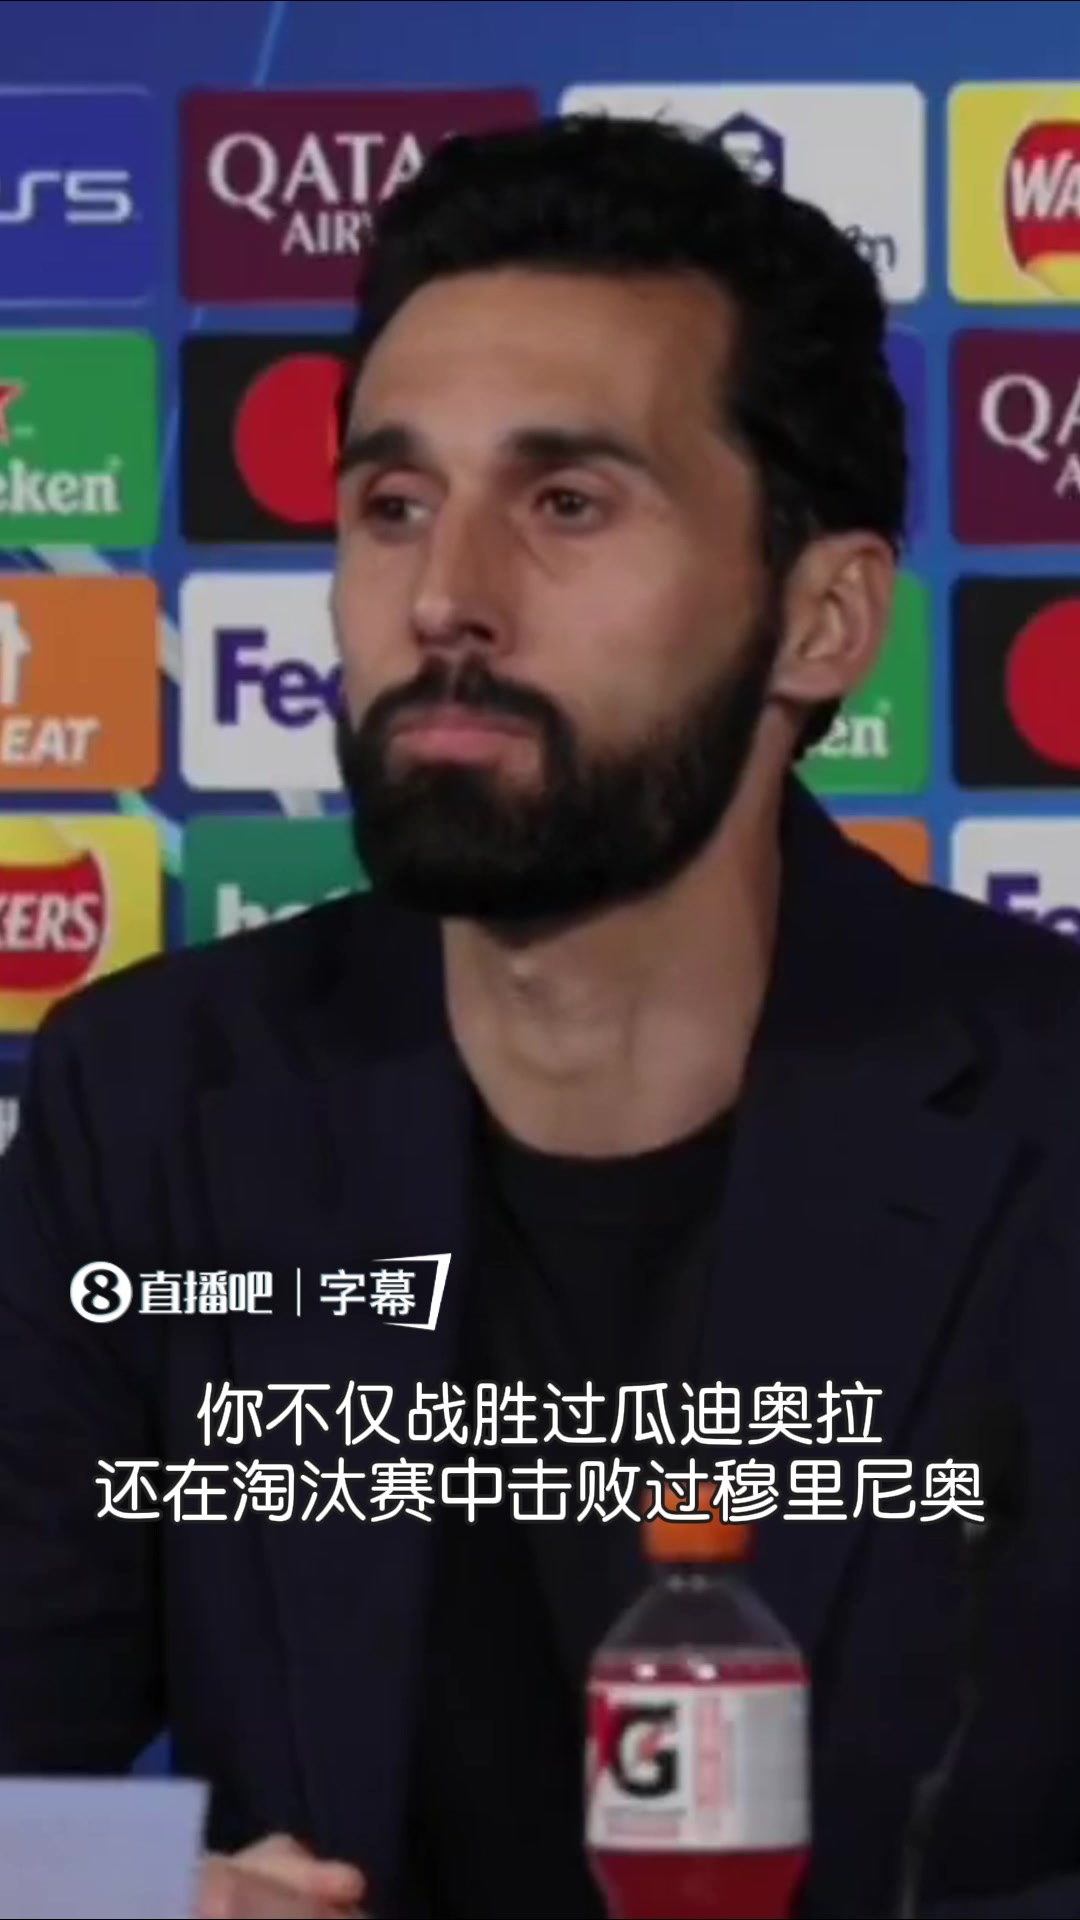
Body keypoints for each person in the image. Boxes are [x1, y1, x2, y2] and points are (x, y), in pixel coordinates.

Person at [3, 112, 1080, 1920]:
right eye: (393, 505)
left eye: (567, 504)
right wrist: (134, 1895)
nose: (446, 598)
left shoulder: (1052, 1121)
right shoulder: (157, 1102)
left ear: (821, 621)